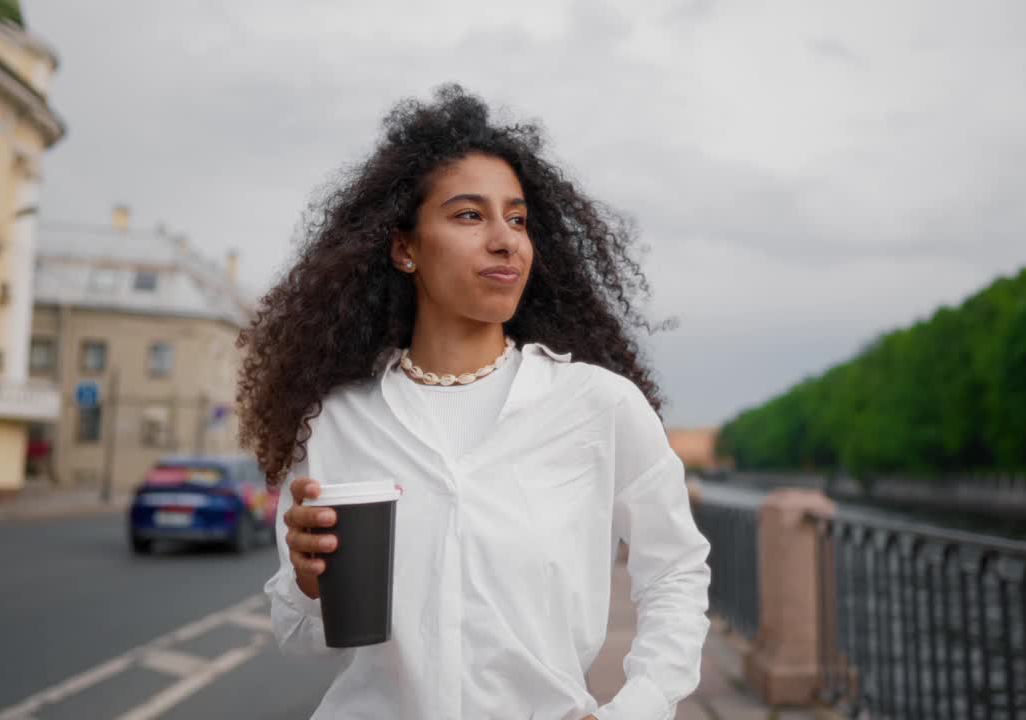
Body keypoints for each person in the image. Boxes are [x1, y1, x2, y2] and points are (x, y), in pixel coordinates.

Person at [237, 84, 711, 720]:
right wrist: (306, 582)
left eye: (516, 219)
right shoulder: (336, 422)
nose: (505, 240)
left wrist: (639, 706)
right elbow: (303, 644)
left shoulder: (596, 405)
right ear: (405, 248)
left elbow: (675, 571)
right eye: (468, 215)